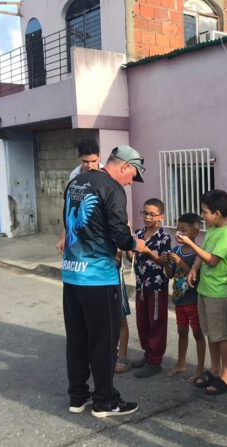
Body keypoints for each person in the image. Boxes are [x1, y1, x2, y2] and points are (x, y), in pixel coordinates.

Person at [62, 145, 146, 418]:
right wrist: (137, 244)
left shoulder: (76, 183)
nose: (130, 181)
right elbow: (121, 236)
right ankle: (105, 401)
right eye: (132, 175)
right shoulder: (111, 189)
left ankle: (77, 396)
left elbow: (69, 223)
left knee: (77, 339)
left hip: (72, 274)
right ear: (123, 166)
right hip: (98, 277)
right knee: (103, 341)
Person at [177, 189, 227, 396]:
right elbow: (203, 256)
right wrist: (194, 269)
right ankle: (214, 369)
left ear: (218, 213)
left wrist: (190, 244)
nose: (202, 216)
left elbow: (212, 260)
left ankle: (226, 374)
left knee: (221, 335)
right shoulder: (213, 229)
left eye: (205, 212)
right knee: (211, 333)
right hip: (205, 289)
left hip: (218, 292)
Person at [128, 198, 172, 378]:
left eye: (152, 214)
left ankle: (155, 361)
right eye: (144, 213)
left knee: (156, 323)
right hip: (141, 286)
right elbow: (132, 258)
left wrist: (147, 251)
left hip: (156, 287)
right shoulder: (139, 233)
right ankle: (147, 354)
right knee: (142, 321)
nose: (147, 217)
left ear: (161, 217)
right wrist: (129, 248)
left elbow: (164, 262)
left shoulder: (164, 238)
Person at [162, 213, 207, 380]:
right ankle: (181, 364)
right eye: (177, 229)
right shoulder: (176, 250)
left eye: (183, 230)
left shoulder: (198, 254)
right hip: (179, 301)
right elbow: (170, 275)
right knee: (182, 332)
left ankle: (200, 369)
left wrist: (180, 262)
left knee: (197, 334)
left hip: (193, 301)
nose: (178, 233)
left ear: (194, 233)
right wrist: (166, 262)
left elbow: (194, 277)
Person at [56, 138, 103, 255]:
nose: (90, 166)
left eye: (93, 161)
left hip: (101, 232)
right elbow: (70, 208)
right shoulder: (74, 175)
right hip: (80, 232)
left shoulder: (106, 175)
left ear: (99, 157)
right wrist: (63, 236)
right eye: (85, 161)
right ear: (79, 158)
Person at [114, 251, 134, 374]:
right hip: (96, 278)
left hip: (113, 276)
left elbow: (118, 258)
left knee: (121, 318)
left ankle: (122, 356)